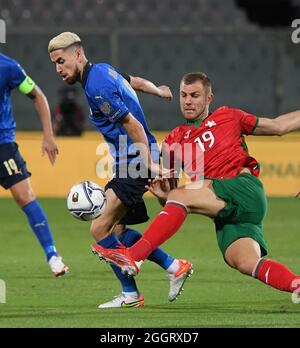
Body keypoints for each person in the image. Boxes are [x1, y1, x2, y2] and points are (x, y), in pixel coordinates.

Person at [92, 71, 300, 296]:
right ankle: (295, 284)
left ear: (209, 98)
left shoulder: (228, 116)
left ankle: (133, 256)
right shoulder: (174, 140)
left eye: (195, 95)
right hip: (224, 211)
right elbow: (173, 202)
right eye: (184, 95)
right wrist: (164, 196)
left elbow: (279, 126)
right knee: (243, 261)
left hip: (242, 188)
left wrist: (175, 196)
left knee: (182, 196)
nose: (188, 101)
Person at [48, 32, 193, 308]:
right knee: (116, 229)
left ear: (78, 55)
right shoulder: (103, 70)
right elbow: (133, 81)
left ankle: (133, 289)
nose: (58, 69)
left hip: (134, 160)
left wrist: (149, 164)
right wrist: (159, 91)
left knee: (100, 228)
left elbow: (133, 127)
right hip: (130, 160)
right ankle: (173, 268)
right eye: (55, 63)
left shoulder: (95, 88)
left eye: (61, 61)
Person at [0, 53, 68, 277]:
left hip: (3, 144)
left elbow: (37, 95)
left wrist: (48, 135)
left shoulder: (8, 67)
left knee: (24, 196)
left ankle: (52, 255)